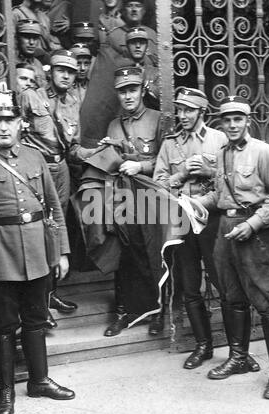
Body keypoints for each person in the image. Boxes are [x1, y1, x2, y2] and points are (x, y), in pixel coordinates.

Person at [153, 88, 260, 372]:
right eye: (180, 109)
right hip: (183, 223)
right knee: (190, 287)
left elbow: (238, 178)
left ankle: (239, 351)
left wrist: (210, 171)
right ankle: (203, 346)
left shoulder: (221, 138)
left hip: (215, 221)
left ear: (202, 112)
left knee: (227, 286)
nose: (182, 115)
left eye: (189, 110)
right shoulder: (170, 144)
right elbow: (158, 186)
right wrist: (183, 172)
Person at [0, 85, 75, 414]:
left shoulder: (34, 157)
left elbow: (53, 207)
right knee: (5, 325)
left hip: (37, 250)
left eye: (10, 119)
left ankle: (39, 381)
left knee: (36, 319)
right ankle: (6, 390)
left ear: (21, 122)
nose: (4, 126)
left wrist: (61, 253)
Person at [198, 96, 269, 399]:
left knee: (267, 302)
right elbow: (220, 196)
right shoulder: (222, 154)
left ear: (247, 120)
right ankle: (238, 357)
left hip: (255, 232)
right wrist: (197, 202)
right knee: (232, 297)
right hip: (225, 229)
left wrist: (253, 224)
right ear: (220, 123)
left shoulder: (264, 152)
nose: (232, 124)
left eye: (238, 119)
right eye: (227, 120)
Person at [19, 50, 96, 320]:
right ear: (50, 71)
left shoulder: (73, 102)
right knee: (36, 230)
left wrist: (92, 153)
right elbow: (16, 137)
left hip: (60, 168)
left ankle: (51, 293)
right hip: (35, 171)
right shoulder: (31, 95)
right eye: (61, 70)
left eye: (71, 71)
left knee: (55, 229)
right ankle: (36, 303)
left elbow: (72, 147)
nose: (66, 75)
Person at [101, 66, 164, 337]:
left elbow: (166, 160)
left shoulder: (158, 118)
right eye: (122, 91)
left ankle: (161, 311)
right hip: (124, 198)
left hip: (151, 196)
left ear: (141, 90)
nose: (128, 96)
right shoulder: (114, 124)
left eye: (132, 89)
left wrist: (142, 167)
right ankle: (131, 310)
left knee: (156, 253)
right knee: (128, 253)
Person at [80, 0, 158, 148]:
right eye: (130, 5)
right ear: (123, 10)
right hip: (124, 97)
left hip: (150, 98)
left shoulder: (153, 35)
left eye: (138, 5)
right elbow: (106, 69)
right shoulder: (114, 36)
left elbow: (159, 65)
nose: (134, 10)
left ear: (145, 10)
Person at [126, 26, 159, 109]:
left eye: (142, 42)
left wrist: (146, 83)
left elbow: (162, 99)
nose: (138, 46)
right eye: (133, 42)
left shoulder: (155, 72)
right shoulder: (121, 70)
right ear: (127, 46)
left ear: (147, 46)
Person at [15, 19, 47, 89]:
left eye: (35, 38)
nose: (31, 42)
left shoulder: (38, 64)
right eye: (26, 37)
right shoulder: (11, 61)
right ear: (18, 38)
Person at [70, 43, 92, 109]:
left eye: (86, 64)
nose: (83, 68)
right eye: (78, 63)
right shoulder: (64, 87)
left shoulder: (93, 87)